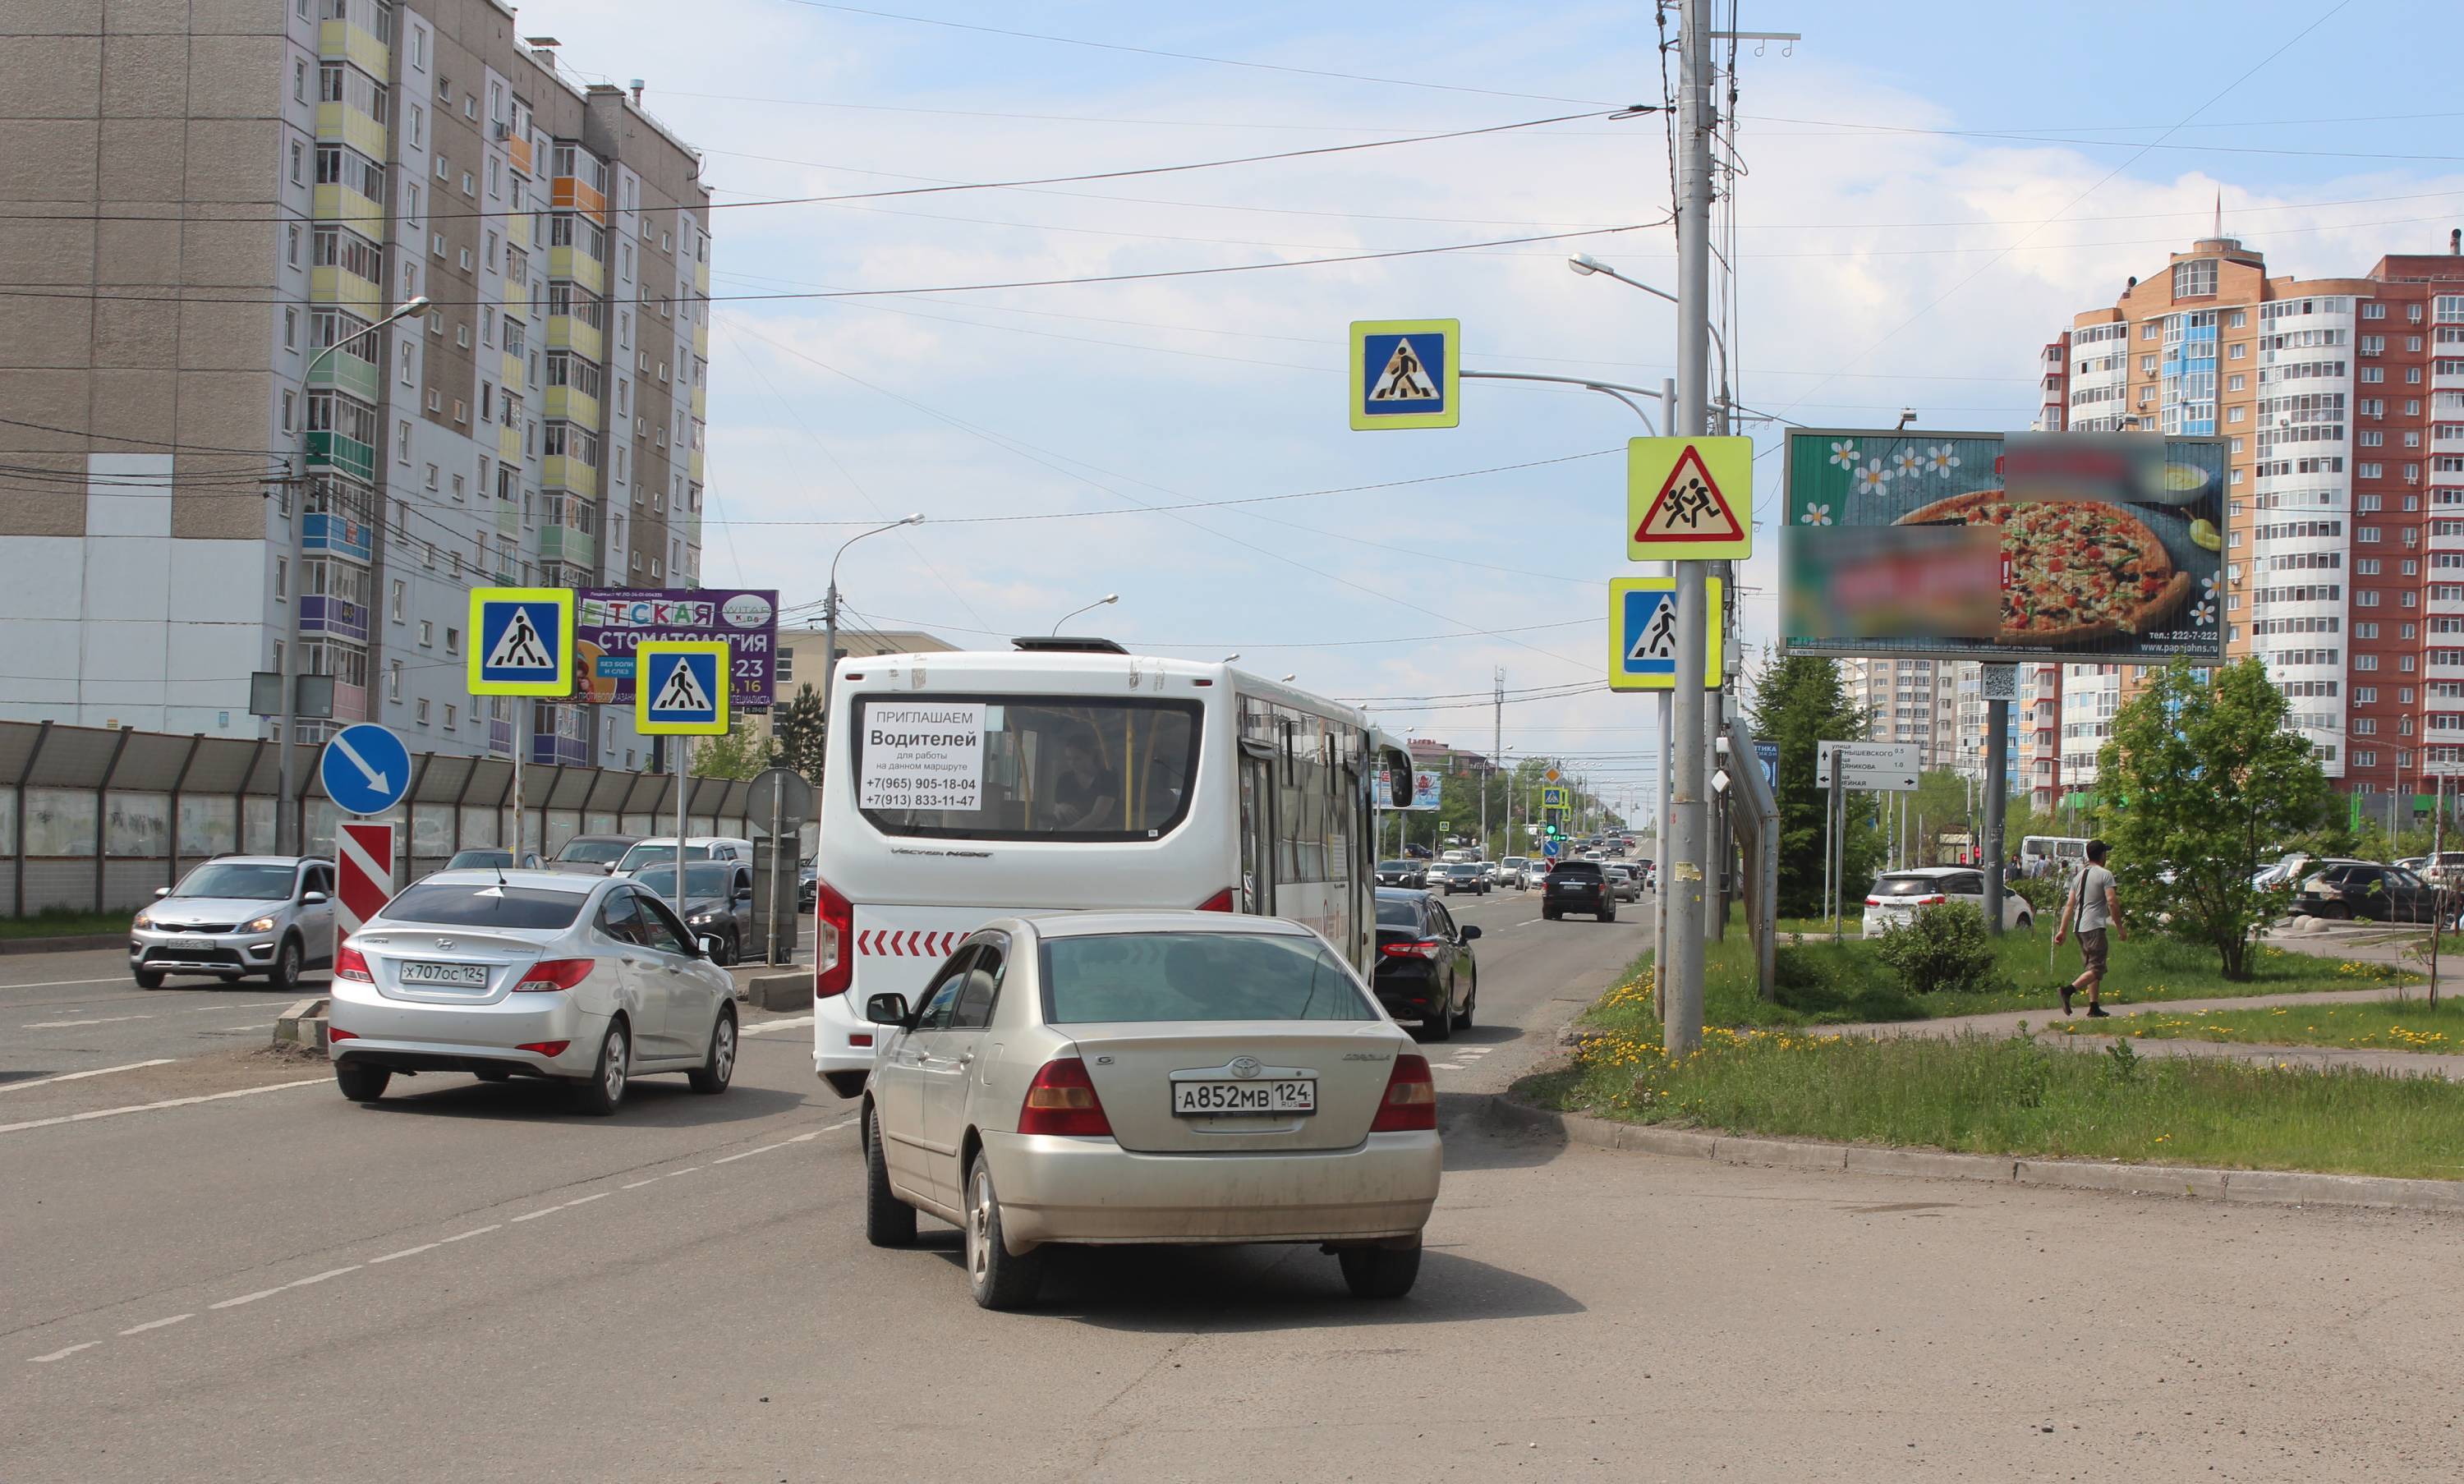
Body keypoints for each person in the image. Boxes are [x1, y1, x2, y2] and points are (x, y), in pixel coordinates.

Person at [2052, 838, 2124, 1018]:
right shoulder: (2105, 874)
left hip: (2079, 927)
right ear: (2102, 855)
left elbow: (2070, 905)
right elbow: (2112, 902)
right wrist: (2120, 928)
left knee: (2091, 967)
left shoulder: (2079, 876)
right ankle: (2067, 991)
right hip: (2094, 926)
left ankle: (2094, 1006)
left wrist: (2062, 930)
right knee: (2097, 968)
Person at [1049, 735, 1118, 829]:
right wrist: (1060, 807)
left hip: (1102, 834)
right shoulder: (1064, 779)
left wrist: (1065, 834)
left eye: (1077, 758)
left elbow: (1096, 817)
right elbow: (1057, 809)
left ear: (1091, 755)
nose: (1072, 763)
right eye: (1069, 759)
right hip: (1065, 830)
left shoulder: (1108, 778)